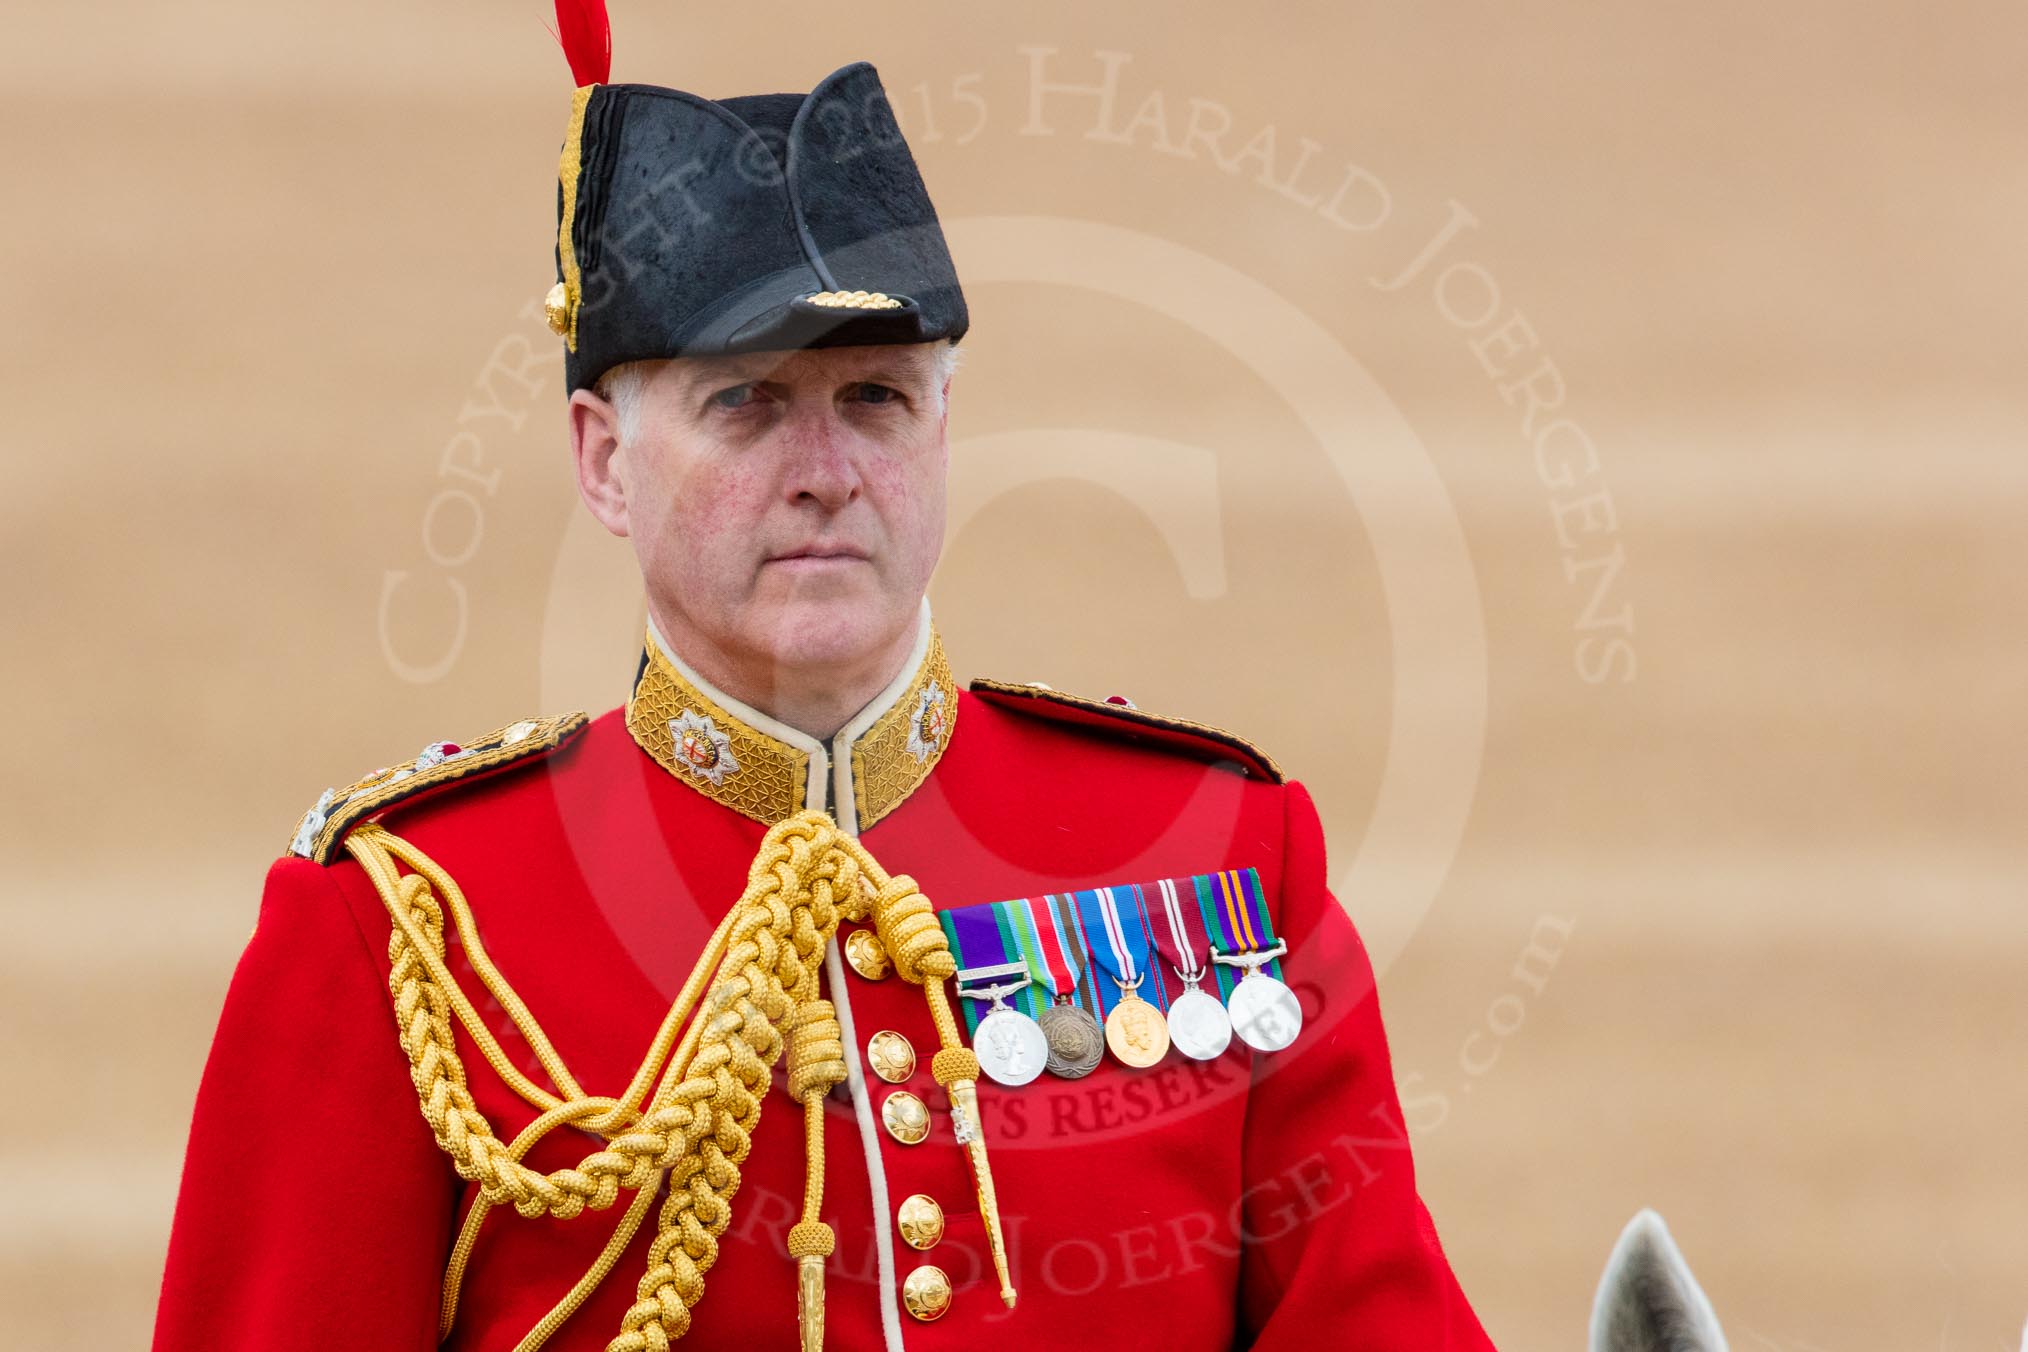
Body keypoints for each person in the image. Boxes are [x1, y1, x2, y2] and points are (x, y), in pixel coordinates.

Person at [154, 9, 1497, 1350]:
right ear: (605, 462)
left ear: (944, 432)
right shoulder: (403, 926)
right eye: (743, 403)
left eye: (876, 399)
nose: (825, 472)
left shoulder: (1222, 852)